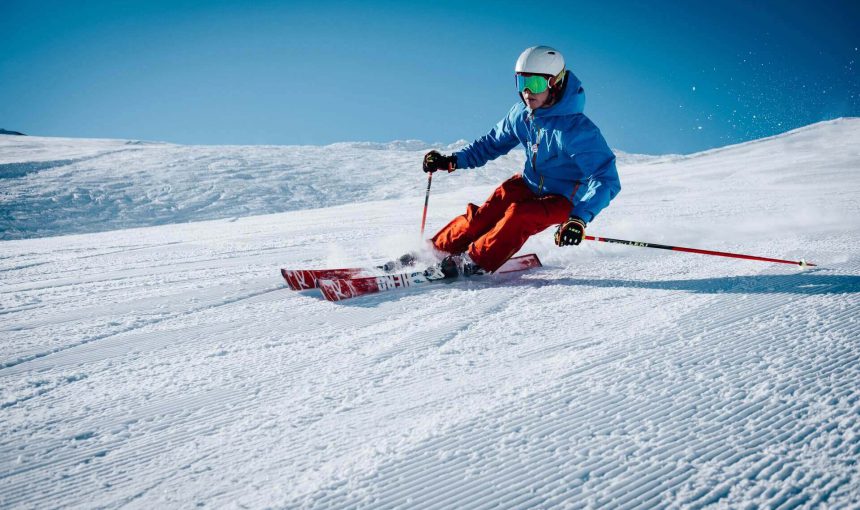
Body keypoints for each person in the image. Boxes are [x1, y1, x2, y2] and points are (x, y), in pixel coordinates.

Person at [422, 45, 621, 277]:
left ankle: (474, 262)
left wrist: (579, 218)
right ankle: (434, 251)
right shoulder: (521, 115)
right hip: (528, 183)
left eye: (535, 84)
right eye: (521, 83)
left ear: (554, 83)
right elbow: (490, 144)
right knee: (485, 215)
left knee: (520, 215)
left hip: (565, 199)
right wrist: (452, 160)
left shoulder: (577, 130)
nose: (527, 92)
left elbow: (605, 178)